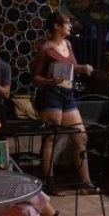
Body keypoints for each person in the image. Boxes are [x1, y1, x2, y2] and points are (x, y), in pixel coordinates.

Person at [32, 11, 97, 191]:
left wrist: (82, 68)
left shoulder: (68, 44)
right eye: (67, 23)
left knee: (80, 137)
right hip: (51, 94)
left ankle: (86, 182)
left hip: (68, 95)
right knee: (52, 138)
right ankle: (48, 181)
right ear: (56, 26)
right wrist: (49, 81)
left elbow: (72, 68)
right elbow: (35, 77)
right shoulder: (46, 49)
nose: (70, 26)